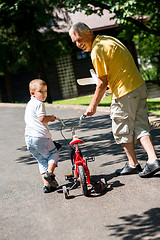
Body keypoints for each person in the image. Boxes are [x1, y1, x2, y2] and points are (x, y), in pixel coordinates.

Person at [69, 22, 160, 178]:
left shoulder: (97, 50)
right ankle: (153, 160)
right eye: (75, 42)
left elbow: (102, 82)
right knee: (140, 125)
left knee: (121, 128)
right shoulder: (108, 40)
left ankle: (133, 164)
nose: (78, 44)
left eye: (79, 39)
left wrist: (93, 105)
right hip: (138, 86)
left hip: (125, 92)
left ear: (89, 33)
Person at [25, 79, 60, 193]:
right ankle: (49, 173)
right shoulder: (39, 103)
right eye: (41, 91)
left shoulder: (30, 104)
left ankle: (47, 185)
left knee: (41, 160)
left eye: (45, 91)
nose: (44, 94)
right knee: (54, 153)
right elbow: (41, 118)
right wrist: (51, 118)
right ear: (32, 93)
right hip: (40, 137)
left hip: (29, 138)